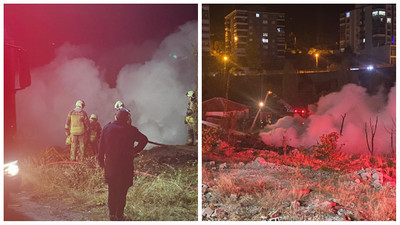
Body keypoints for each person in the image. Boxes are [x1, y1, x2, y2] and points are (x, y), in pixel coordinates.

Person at [97, 109, 148, 221]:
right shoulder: (131, 130)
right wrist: (134, 151)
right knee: (122, 191)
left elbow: (101, 147)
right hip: (126, 166)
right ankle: (120, 215)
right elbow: (144, 139)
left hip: (111, 166)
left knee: (112, 190)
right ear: (127, 119)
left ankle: (112, 216)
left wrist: (100, 160)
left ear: (116, 117)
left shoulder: (107, 128)